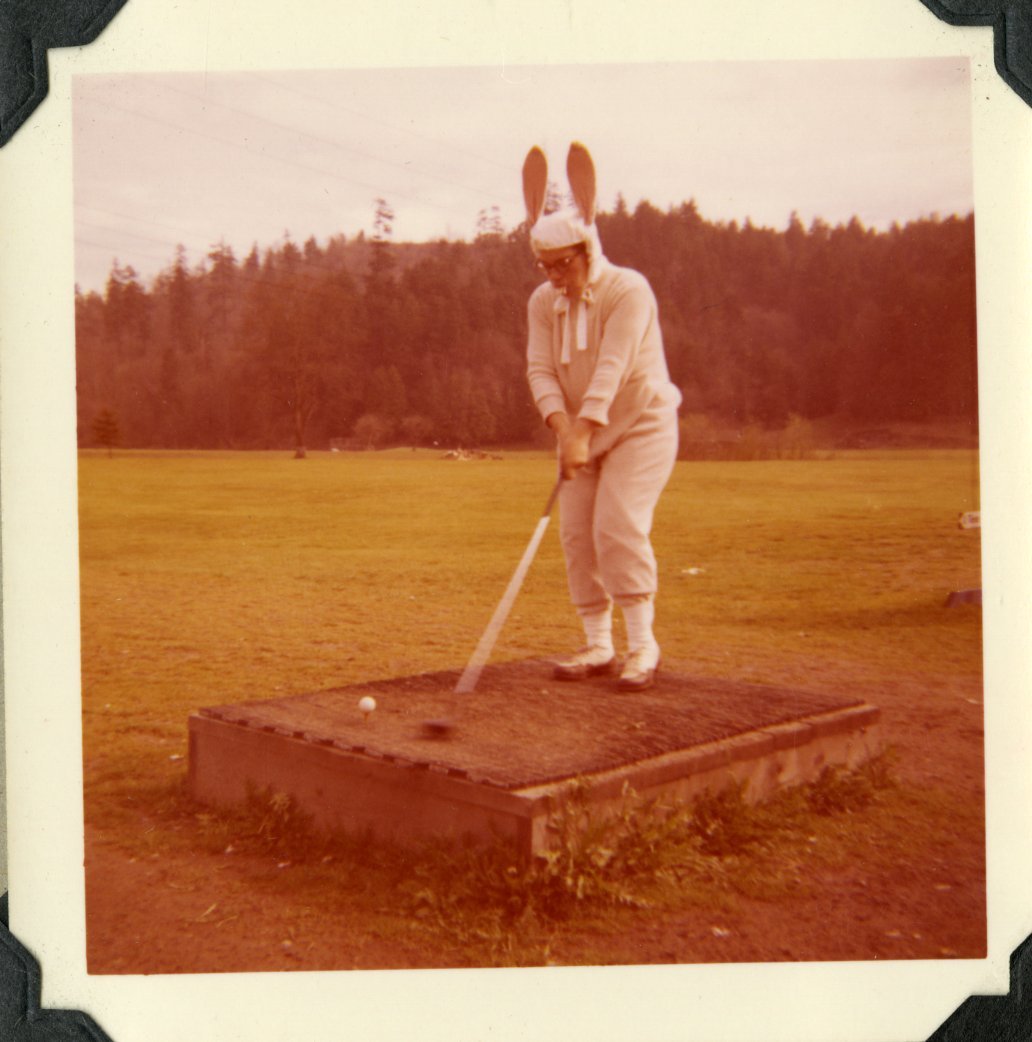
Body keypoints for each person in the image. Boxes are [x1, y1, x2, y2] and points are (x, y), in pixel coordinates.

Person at [523, 142, 682, 692]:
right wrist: (562, 428)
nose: (553, 277)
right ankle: (598, 644)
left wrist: (584, 428)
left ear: (587, 250)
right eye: (544, 267)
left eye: (562, 265)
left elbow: (613, 370)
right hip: (581, 435)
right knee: (576, 536)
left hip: (641, 425)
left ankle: (643, 647)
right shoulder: (543, 302)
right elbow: (541, 370)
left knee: (617, 526)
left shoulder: (628, 289)